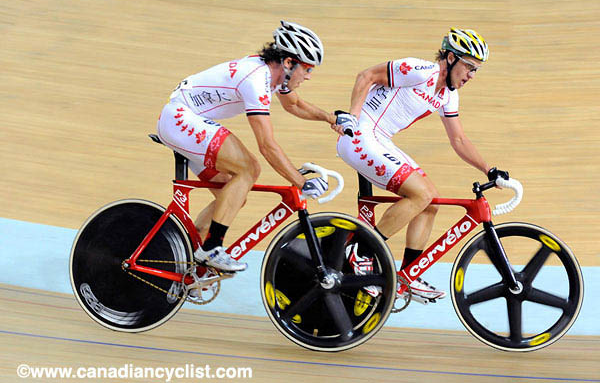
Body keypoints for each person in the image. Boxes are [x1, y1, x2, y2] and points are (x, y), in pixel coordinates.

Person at [335, 28, 509, 304]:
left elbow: (459, 140)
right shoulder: (419, 70)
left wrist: (488, 170)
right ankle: (362, 250)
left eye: (476, 70)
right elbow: (366, 76)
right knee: (421, 194)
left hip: (380, 140)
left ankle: (409, 273)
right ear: (450, 58)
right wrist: (352, 119)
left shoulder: (448, 95)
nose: (471, 76)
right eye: (469, 66)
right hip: (361, 135)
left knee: (430, 202)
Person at [157, 20, 342, 272]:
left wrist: (331, 118)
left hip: (183, 120)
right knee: (249, 169)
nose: (309, 76)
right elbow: (267, 145)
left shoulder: (273, 75)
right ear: (289, 63)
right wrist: (301, 182)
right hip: (180, 119)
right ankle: (211, 248)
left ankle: (192, 254)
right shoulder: (255, 79)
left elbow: (294, 105)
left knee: (233, 195)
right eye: (307, 68)